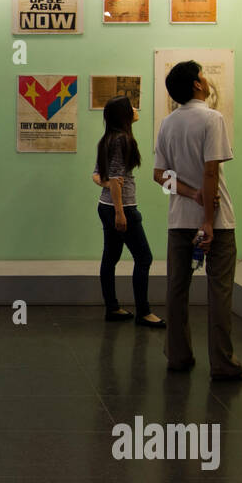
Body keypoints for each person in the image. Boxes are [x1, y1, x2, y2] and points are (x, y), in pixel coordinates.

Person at [152, 60, 242, 381]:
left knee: (177, 288)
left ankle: (178, 355)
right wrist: (208, 220)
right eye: (202, 76)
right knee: (219, 291)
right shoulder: (212, 119)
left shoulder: (168, 123)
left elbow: (160, 176)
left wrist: (189, 192)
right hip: (217, 222)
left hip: (178, 220)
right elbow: (211, 170)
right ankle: (223, 363)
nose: (206, 80)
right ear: (197, 85)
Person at [91, 97, 163, 327]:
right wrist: (120, 213)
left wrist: (109, 185)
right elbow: (113, 177)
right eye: (130, 106)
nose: (135, 109)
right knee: (144, 257)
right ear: (124, 115)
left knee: (110, 258)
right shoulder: (122, 140)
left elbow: (98, 176)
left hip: (105, 206)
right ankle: (144, 312)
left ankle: (112, 308)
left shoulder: (107, 140)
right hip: (122, 208)